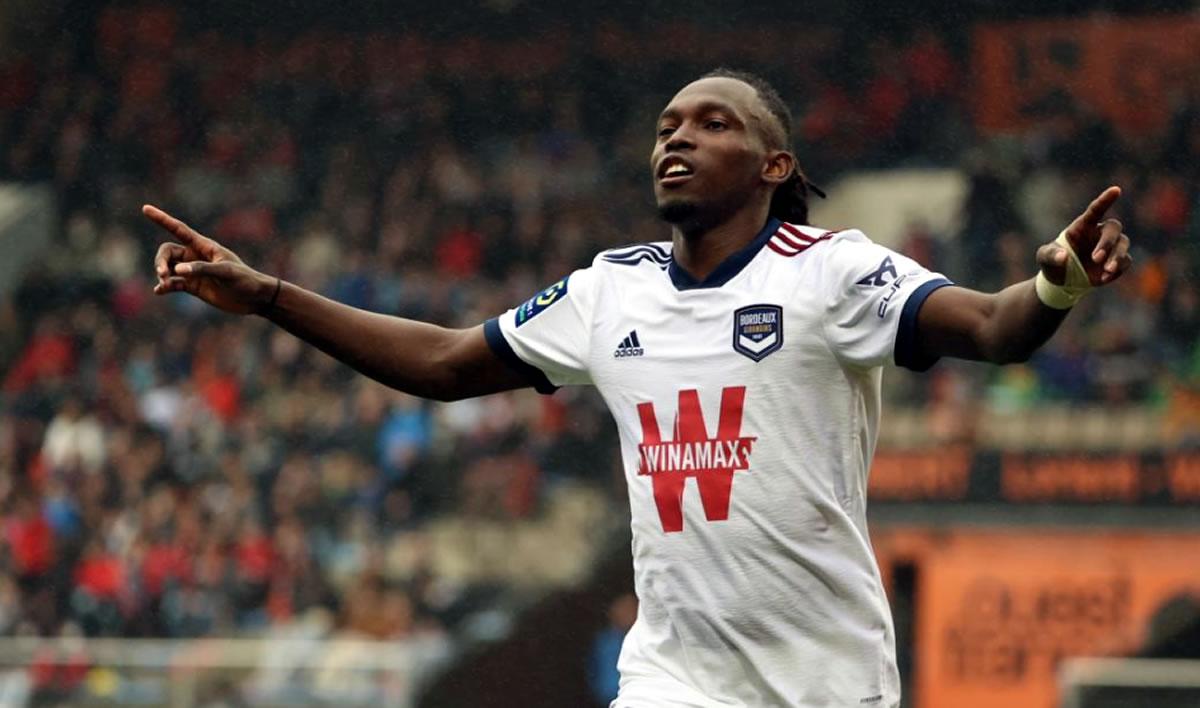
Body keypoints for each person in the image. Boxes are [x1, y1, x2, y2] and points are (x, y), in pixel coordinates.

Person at [144, 69, 1132, 707]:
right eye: (668, 123)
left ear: (775, 164)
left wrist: (1060, 281)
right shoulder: (608, 288)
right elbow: (445, 364)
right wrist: (269, 295)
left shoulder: (830, 272)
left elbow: (998, 329)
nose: (678, 136)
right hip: (675, 676)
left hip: (825, 677)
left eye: (713, 123)